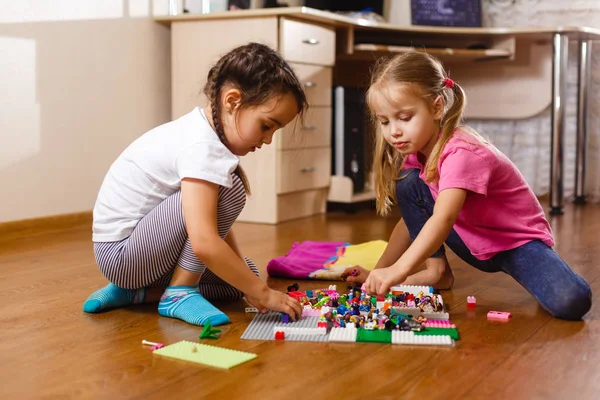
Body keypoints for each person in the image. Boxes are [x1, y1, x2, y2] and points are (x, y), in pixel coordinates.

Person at [342, 52, 591, 320]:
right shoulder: (415, 157)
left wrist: (400, 270)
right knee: (409, 183)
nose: (394, 131)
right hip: (471, 239)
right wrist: (378, 274)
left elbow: (443, 218)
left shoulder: (462, 151)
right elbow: (413, 220)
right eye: (385, 121)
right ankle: (437, 272)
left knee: (572, 302)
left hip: (515, 244)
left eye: (404, 117)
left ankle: (550, 272)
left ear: (437, 107)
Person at [83, 42, 306, 326]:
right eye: (266, 125)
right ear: (232, 100)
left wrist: (249, 283)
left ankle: (138, 293)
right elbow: (204, 241)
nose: (268, 139)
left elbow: (213, 228)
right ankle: (179, 292)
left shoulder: (200, 133)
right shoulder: (202, 147)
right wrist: (263, 293)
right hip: (125, 255)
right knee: (232, 192)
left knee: (240, 276)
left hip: (135, 258)